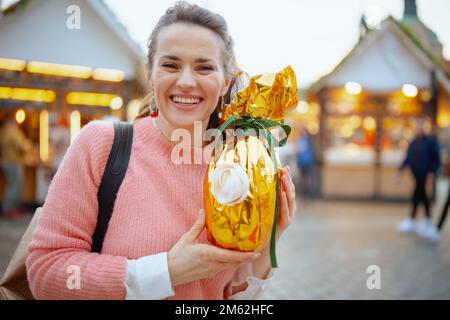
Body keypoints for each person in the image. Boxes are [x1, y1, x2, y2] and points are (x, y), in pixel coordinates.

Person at [26, 2, 296, 300]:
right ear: (150, 74)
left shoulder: (239, 170)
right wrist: (168, 271)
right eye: (171, 65)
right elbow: (46, 273)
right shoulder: (101, 145)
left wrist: (265, 245)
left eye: (204, 67)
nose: (186, 81)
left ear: (225, 83)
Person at [397, 119, 441, 241]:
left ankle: (415, 220)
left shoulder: (431, 142)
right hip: (416, 174)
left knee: (418, 195)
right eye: (417, 127)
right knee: (421, 196)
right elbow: (408, 157)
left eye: (421, 127)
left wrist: (432, 172)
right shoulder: (413, 141)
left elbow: (436, 159)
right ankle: (423, 220)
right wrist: (401, 170)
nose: (419, 129)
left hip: (425, 174)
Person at [0, 116, 30, 219]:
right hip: (13, 162)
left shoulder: (3, 132)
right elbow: (22, 146)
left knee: (10, 185)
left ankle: (9, 208)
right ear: (12, 123)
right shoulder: (13, 132)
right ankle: (10, 209)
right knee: (14, 186)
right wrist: (27, 145)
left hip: (5, 162)